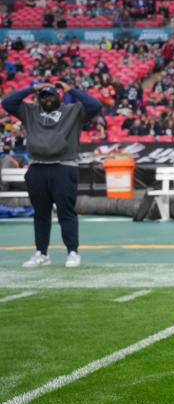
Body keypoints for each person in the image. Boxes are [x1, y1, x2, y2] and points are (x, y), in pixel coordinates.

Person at [1, 82, 101, 268]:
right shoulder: (30, 111)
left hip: (63, 166)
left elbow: (95, 105)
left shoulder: (73, 111)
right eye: (44, 96)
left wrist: (72, 89)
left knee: (66, 212)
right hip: (37, 167)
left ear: (59, 96)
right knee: (40, 213)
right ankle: (41, 253)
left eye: (51, 95)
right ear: (38, 98)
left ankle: (72, 252)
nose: (47, 99)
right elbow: (7, 102)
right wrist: (32, 88)